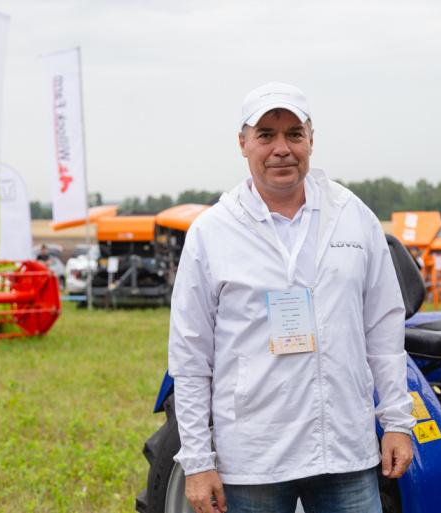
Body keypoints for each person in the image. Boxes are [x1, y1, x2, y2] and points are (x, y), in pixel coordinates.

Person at [168, 82, 415, 513]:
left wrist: (397, 421)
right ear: (243, 143)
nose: (281, 148)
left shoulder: (353, 217)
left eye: (294, 134)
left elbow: (384, 328)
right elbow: (190, 354)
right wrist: (197, 460)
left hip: (344, 454)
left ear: (311, 140)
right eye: (266, 135)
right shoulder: (212, 232)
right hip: (254, 461)